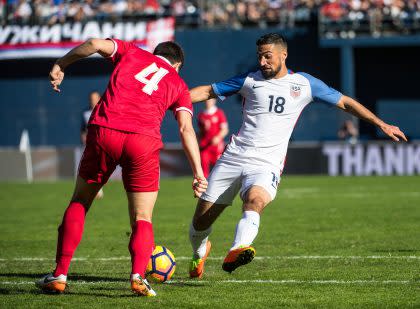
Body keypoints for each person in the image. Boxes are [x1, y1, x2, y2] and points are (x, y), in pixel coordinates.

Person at [187, 33, 407, 278]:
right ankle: (200, 251)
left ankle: (238, 248)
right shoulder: (249, 80)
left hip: (267, 163)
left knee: (255, 200)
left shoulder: (305, 84)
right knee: (201, 222)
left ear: (284, 55)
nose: (262, 62)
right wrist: (170, 99)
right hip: (234, 157)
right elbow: (208, 91)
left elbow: (345, 102)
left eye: (268, 56)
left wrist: (381, 124)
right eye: (260, 56)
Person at [36, 38, 207, 296]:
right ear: (178, 65)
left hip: (105, 130)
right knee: (142, 217)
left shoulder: (132, 52)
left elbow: (93, 43)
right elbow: (185, 129)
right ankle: (138, 276)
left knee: (81, 201)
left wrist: (62, 63)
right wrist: (198, 173)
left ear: (155, 54)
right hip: (144, 141)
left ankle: (60, 274)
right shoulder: (179, 84)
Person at [80, 91, 104, 199]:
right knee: (93, 167)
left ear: (99, 99)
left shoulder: (105, 110)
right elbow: (83, 130)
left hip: (104, 143)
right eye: (91, 98)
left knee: (102, 167)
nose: (93, 100)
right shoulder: (85, 113)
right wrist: (84, 138)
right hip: (91, 144)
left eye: (95, 98)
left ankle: (98, 188)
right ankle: (96, 189)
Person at [197, 98, 229, 178]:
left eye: (210, 100)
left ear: (214, 101)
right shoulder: (201, 115)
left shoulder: (219, 113)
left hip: (216, 146)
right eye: (207, 100)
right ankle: (204, 188)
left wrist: (218, 138)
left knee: (218, 168)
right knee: (203, 168)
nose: (208, 102)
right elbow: (200, 132)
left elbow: (225, 129)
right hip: (205, 146)